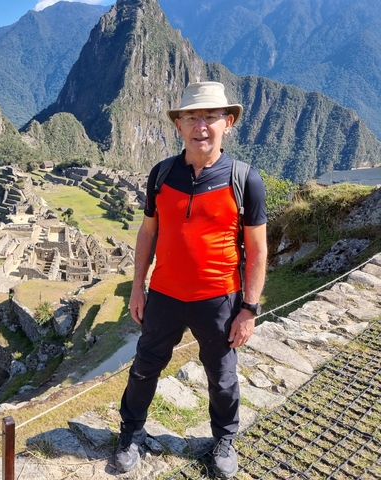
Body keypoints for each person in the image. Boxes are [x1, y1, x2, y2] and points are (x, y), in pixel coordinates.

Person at [115, 81, 268, 478]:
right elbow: (148, 232)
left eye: (210, 117)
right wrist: (138, 287)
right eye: (191, 117)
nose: (201, 125)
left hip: (219, 298)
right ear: (179, 125)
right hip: (164, 294)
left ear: (228, 122)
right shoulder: (162, 174)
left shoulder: (244, 179)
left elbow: (257, 248)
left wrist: (249, 308)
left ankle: (223, 440)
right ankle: (131, 433)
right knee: (145, 367)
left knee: (222, 376)